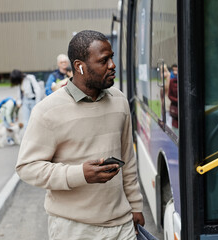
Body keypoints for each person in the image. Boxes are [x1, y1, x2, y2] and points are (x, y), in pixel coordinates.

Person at [16, 30, 145, 240]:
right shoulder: (47, 111)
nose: (112, 65)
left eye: (112, 57)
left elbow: (128, 160)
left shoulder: (120, 100)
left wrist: (136, 205)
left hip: (122, 226)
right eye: (104, 60)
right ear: (79, 66)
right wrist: (80, 174)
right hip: (73, 229)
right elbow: (27, 167)